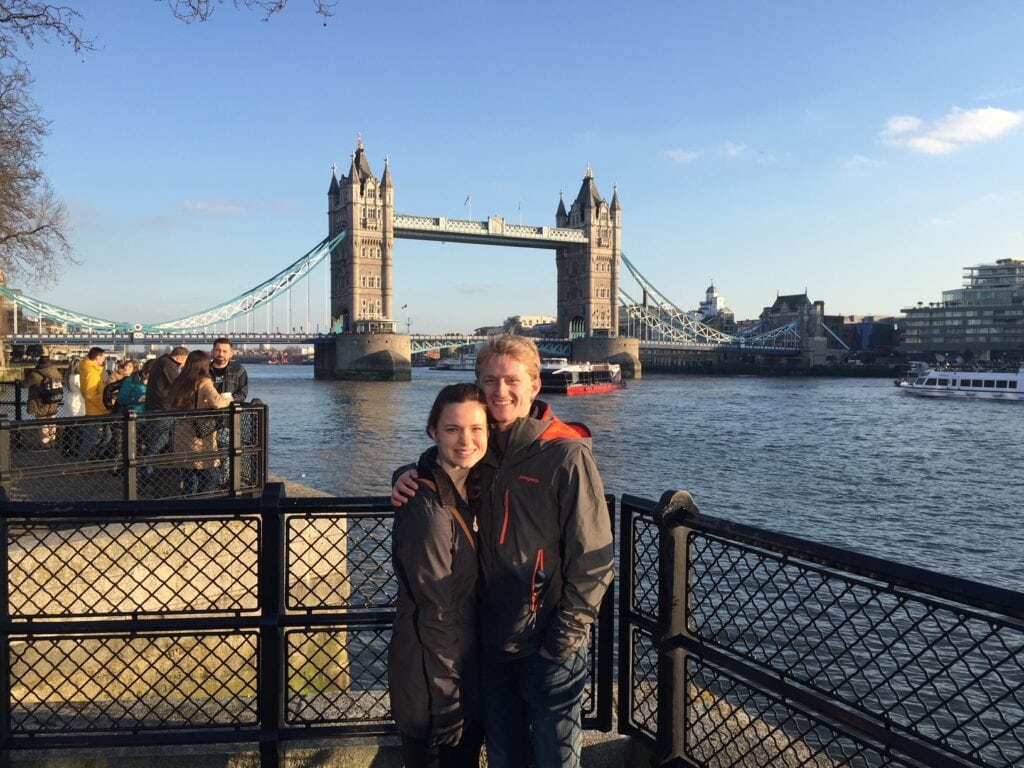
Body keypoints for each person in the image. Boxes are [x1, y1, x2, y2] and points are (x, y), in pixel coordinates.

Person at [393, 335, 614, 768]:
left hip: (547, 645)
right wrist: (408, 471)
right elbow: (448, 452)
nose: (500, 391)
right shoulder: (483, 446)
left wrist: (561, 641)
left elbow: (594, 561)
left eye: (512, 380)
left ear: (535, 384)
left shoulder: (564, 454)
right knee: (503, 759)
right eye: (489, 380)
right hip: (490, 645)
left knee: (556, 761)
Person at [389, 383, 488, 768]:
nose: (466, 440)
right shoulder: (427, 510)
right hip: (434, 685)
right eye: (452, 429)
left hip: (462, 671)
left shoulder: (475, 489)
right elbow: (436, 609)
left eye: (477, 429)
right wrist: (447, 701)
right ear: (433, 431)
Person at [165, 350, 230, 495]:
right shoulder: (204, 381)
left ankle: (190, 507)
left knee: (190, 477)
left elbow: (170, 404)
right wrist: (228, 399)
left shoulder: (180, 381)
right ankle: (202, 506)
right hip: (199, 436)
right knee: (212, 476)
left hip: (181, 433)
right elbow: (218, 403)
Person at [23, 352, 62, 447]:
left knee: (43, 425)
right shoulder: (55, 371)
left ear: (39, 363)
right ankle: (53, 443)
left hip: (39, 402)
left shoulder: (35, 375)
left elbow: (24, 385)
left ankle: (46, 446)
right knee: (52, 424)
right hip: (53, 401)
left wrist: (19, 381)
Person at [78, 347, 108, 460]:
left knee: (97, 436)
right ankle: (82, 461)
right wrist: (104, 406)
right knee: (91, 438)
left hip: (95, 409)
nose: (104, 359)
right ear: (97, 357)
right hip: (96, 410)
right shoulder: (92, 372)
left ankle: (89, 459)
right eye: (103, 357)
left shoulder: (90, 370)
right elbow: (90, 394)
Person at [209, 337, 248, 403]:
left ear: (231, 354)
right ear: (213, 351)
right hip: (208, 411)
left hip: (230, 411)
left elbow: (242, 393)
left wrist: (231, 399)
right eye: (218, 350)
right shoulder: (204, 369)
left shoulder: (239, 370)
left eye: (224, 351)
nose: (221, 354)